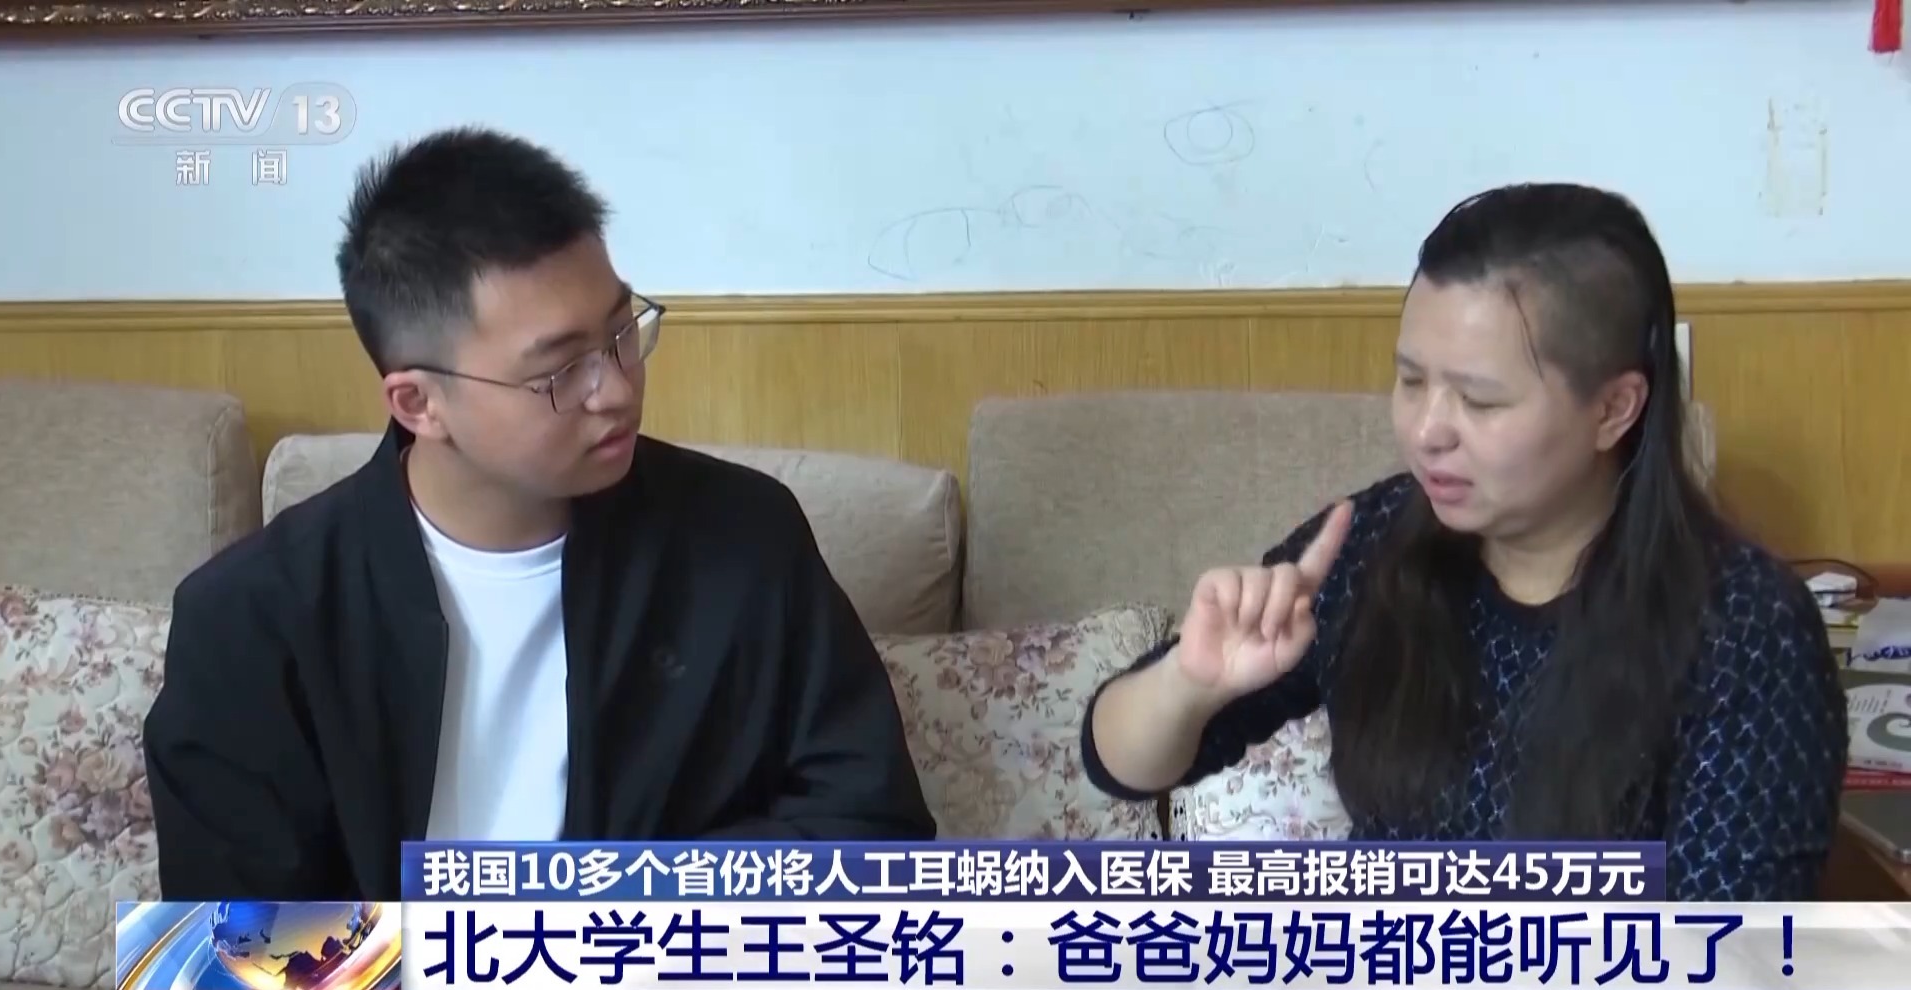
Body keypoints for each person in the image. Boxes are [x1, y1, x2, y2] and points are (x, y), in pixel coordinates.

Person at [144, 127, 935, 900]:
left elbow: (874, 832)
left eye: (623, 332)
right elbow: (231, 951)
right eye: (560, 371)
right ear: (419, 403)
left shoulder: (743, 537)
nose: (616, 388)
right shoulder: (253, 619)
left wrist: (602, 922)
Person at [1083, 182, 1847, 900]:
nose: (1426, 432)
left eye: (1479, 401)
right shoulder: (1370, 541)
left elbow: (1732, 944)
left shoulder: (1745, 628)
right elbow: (1116, 763)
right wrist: (1189, 683)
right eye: (1411, 381)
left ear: (1614, 409)